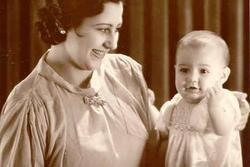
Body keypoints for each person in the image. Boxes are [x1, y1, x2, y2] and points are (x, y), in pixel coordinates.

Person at [0, 1, 248, 166]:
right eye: (103, 29)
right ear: (63, 25)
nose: (113, 43)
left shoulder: (124, 71)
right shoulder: (31, 106)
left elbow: (162, 138)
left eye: (117, 28)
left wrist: (217, 107)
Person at [156, 30, 247, 167]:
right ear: (175, 70)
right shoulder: (176, 102)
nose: (192, 78)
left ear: (222, 76)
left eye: (203, 71)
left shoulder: (224, 100)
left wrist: (214, 107)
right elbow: (162, 131)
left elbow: (224, 129)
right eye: (184, 70)